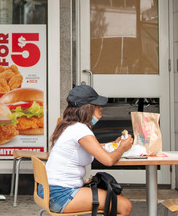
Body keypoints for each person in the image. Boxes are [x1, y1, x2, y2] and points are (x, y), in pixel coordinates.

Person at [45, 84, 134, 216]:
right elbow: (108, 160)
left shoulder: (69, 126)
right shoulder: (80, 130)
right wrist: (122, 147)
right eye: (97, 105)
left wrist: (113, 144)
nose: (101, 108)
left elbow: (92, 147)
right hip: (61, 194)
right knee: (124, 206)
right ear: (88, 107)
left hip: (52, 190)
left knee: (116, 195)